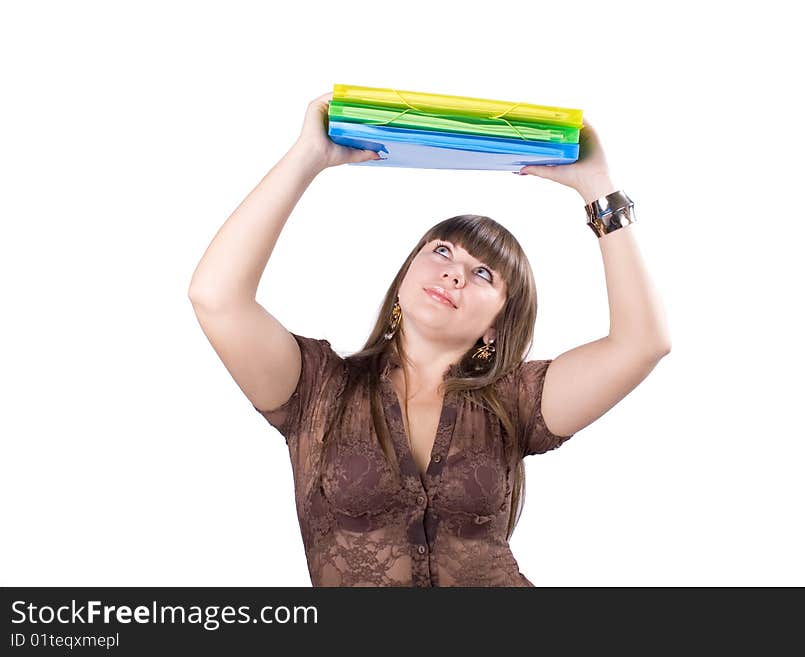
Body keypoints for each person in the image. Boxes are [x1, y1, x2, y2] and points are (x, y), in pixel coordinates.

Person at [188, 91, 671, 586]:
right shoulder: (318, 389)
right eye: (442, 251)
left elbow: (643, 342)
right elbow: (215, 297)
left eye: (483, 273)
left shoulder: (515, 401)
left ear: (496, 326)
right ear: (405, 275)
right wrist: (307, 158)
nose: (455, 274)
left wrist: (597, 185)